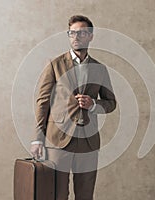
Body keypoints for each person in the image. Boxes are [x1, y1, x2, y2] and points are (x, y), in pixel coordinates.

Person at [30, 15, 116, 200]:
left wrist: (93, 105)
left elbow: (111, 103)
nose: (76, 37)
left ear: (90, 36)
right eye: (72, 33)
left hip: (88, 141)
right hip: (58, 139)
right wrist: (38, 138)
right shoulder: (55, 64)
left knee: (85, 195)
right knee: (58, 194)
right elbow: (42, 102)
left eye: (81, 33)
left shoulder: (99, 69)